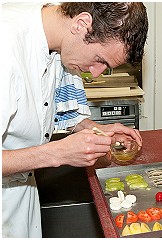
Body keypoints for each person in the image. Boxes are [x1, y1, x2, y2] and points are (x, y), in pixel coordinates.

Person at [2, 2, 148, 238]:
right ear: (81, 24)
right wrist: (56, 153)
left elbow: (51, 106)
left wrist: (98, 130)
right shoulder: (6, 47)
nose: (96, 72)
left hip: (20, 194)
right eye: (100, 59)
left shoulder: (59, 43)